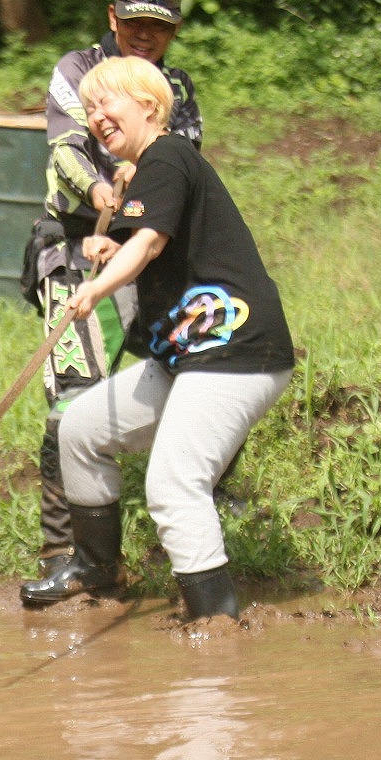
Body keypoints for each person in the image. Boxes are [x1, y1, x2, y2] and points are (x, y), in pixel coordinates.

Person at [51, 56, 294, 620]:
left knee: (174, 484)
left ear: (148, 105)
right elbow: (153, 241)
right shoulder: (150, 169)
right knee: (81, 430)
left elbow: (151, 244)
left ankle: (214, 621)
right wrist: (112, 248)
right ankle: (98, 571)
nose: (96, 116)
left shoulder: (166, 155)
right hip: (190, 356)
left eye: (107, 102)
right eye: (89, 108)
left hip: (235, 353)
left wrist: (96, 287)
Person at [23, 0, 202, 609]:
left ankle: (200, 506)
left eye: (159, 26)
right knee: (71, 401)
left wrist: (137, 192)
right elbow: (67, 150)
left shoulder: (176, 89)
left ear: (174, 31)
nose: (145, 34)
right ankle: (66, 554)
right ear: (113, 17)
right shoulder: (76, 71)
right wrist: (106, 192)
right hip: (75, 250)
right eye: (135, 22)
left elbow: (185, 159)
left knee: (186, 374)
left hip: (149, 254)